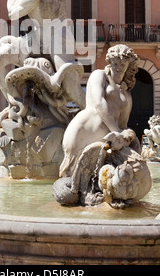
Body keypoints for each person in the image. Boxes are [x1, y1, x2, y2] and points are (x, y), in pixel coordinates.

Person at [59, 44, 139, 177]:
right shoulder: (99, 75)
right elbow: (98, 103)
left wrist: (125, 137)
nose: (118, 68)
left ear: (128, 66)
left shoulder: (127, 93)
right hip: (83, 132)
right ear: (110, 62)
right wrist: (116, 131)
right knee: (71, 175)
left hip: (106, 139)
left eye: (123, 64)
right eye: (115, 64)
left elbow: (123, 124)